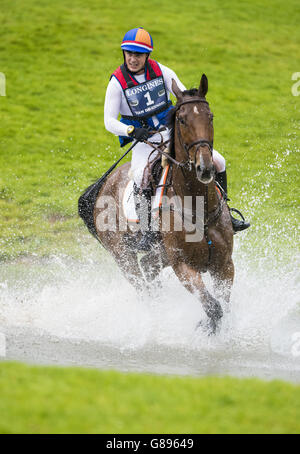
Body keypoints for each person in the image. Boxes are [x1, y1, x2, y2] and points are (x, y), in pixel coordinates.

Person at [104, 27, 250, 250]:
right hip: (144, 142)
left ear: (147, 56)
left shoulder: (162, 71)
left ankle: (226, 214)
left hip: (170, 135)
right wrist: (132, 132)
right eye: (129, 53)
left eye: (138, 55)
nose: (133, 59)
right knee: (140, 176)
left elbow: (183, 98)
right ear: (124, 53)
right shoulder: (117, 83)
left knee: (219, 162)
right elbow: (108, 121)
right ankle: (147, 232)